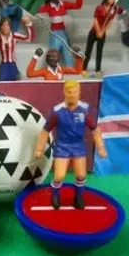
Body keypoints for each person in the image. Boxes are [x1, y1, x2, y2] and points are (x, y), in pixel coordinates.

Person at [34, 80, 107, 209]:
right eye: (69, 92)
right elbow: (45, 131)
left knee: (81, 175)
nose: (72, 94)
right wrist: (39, 148)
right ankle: (55, 195)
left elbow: (95, 130)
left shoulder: (84, 110)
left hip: (78, 146)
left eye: (75, 92)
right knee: (59, 176)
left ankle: (78, 197)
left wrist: (101, 147)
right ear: (64, 92)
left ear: (79, 92)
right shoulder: (57, 111)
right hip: (62, 146)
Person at [38, 0, 83, 67]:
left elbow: (78, 5)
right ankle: (50, 69)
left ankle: (69, 68)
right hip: (54, 33)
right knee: (53, 52)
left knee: (66, 52)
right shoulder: (48, 6)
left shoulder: (63, 4)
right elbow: (37, 10)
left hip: (62, 32)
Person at [0, 16, 34, 81]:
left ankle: (17, 74)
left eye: (6, 25)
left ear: (10, 26)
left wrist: (28, 24)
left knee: (14, 79)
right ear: (0, 27)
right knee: (3, 80)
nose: (4, 27)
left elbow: (29, 38)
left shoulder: (14, 36)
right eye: (3, 25)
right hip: (3, 64)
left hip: (12, 63)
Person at [84, 0, 120, 77]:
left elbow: (110, 22)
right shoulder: (99, 7)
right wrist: (98, 31)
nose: (112, 0)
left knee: (99, 52)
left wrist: (102, 32)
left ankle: (98, 69)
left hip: (102, 33)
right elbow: (95, 20)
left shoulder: (113, 9)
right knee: (88, 51)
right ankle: (84, 69)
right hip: (93, 32)